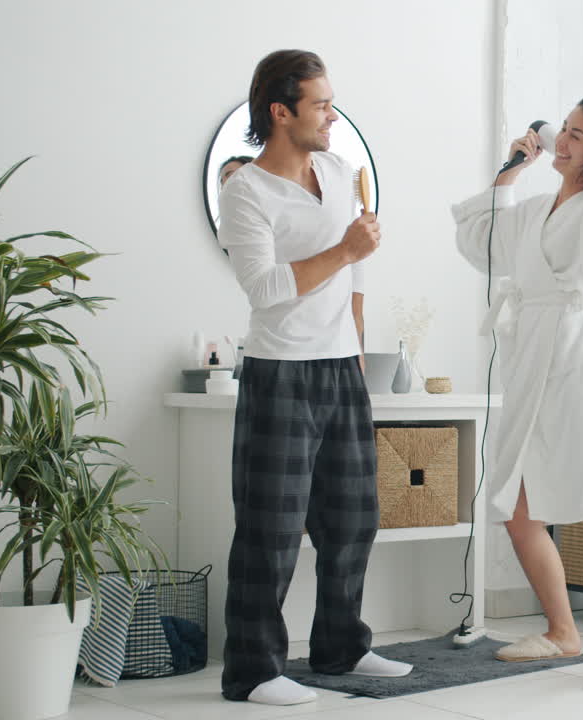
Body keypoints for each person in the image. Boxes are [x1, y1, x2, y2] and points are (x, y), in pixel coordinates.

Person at [452, 96, 583, 691]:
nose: (563, 141)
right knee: (517, 505)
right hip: (532, 362)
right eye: (561, 131)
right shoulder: (537, 207)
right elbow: (480, 245)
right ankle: (562, 632)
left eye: (577, 134)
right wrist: (510, 173)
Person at [217, 49, 410, 706]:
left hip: (340, 369)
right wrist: (345, 249)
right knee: (270, 529)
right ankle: (253, 670)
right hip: (280, 374)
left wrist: (357, 344)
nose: (333, 114)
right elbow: (266, 289)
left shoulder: (338, 169)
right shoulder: (245, 190)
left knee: (353, 519)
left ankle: (341, 647)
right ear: (281, 111)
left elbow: (359, 271)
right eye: (321, 104)